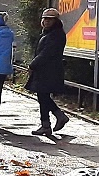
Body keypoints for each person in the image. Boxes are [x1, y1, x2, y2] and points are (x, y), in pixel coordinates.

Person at [27, 8, 69, 137]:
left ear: (55, 21)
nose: (46, 21)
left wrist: (33, 64)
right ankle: (46, 124)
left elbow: (46, 53)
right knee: (42, 97)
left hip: (49, 71)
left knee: (43, 97)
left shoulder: (55, 35)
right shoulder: (48, 33)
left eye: (49, 19)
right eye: (45, 19)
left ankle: (57, 117)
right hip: (44, 71)